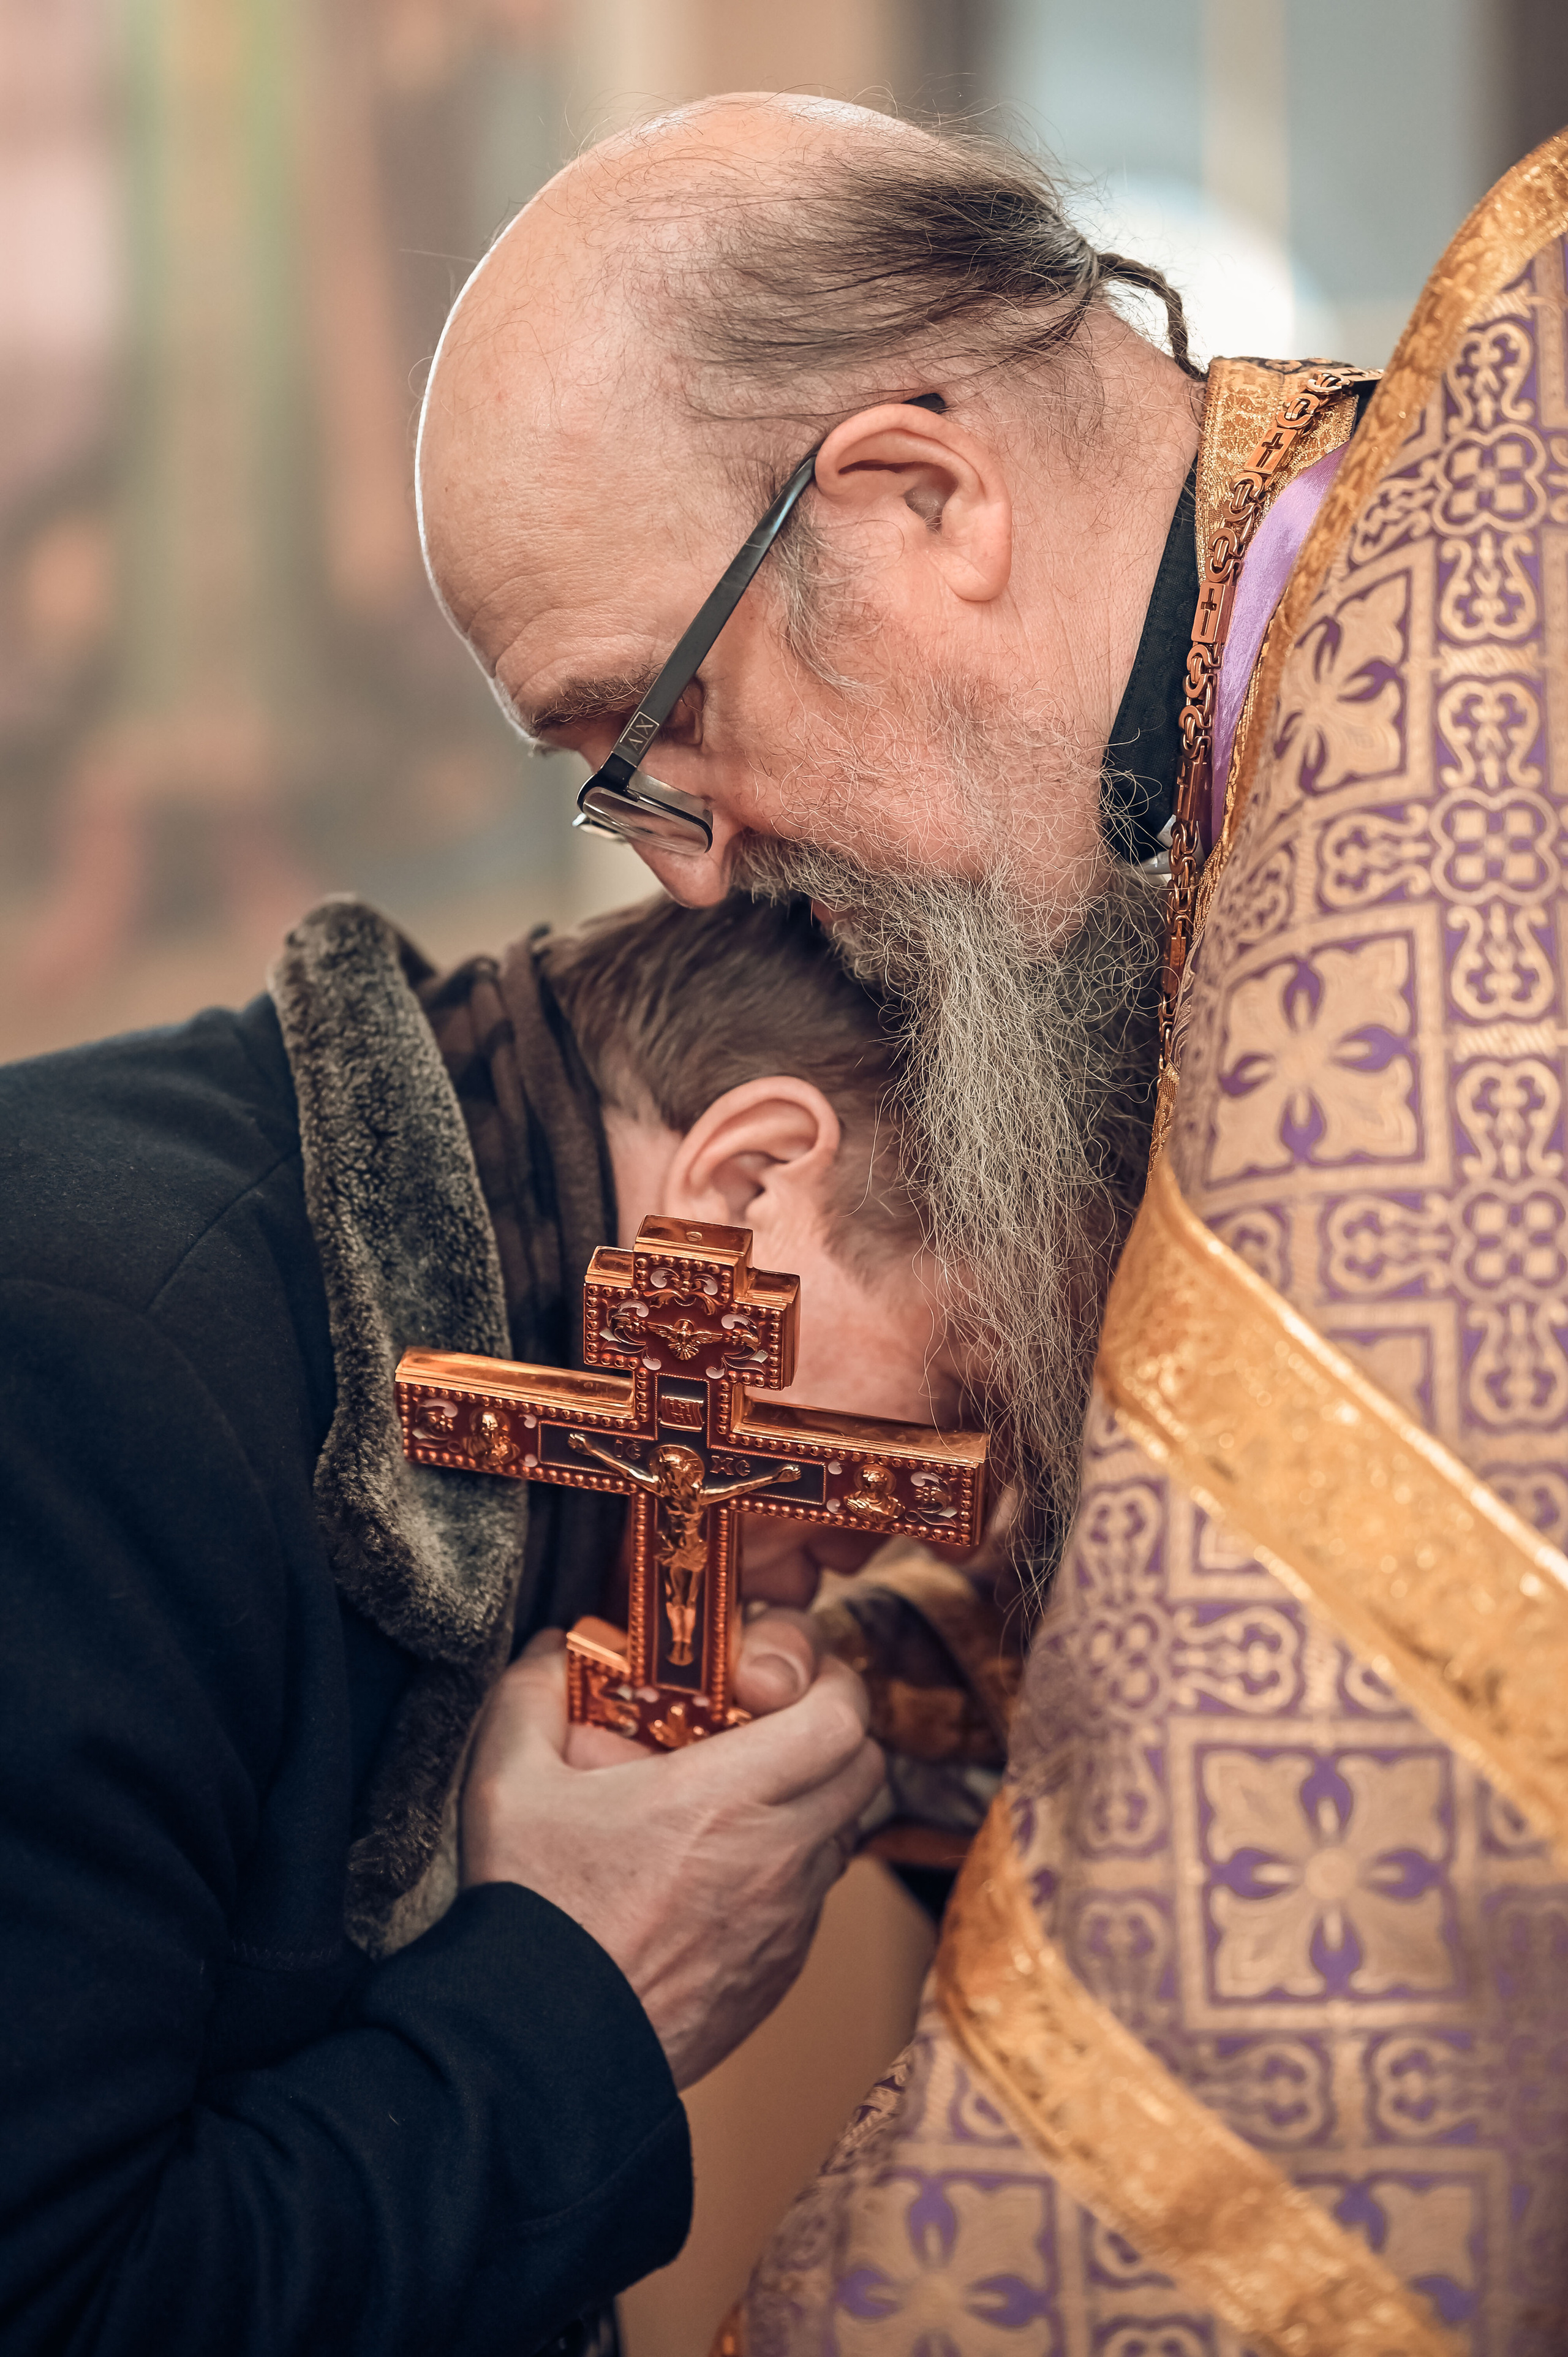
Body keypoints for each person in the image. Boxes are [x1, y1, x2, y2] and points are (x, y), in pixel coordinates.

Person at [417, 91, 1568, 2349]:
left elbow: (1313, 1914)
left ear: (922, 499)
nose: (697, 869)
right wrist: (842, 1666)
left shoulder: (1464, 755)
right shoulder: (1261, 752)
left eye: (659, 732)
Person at [0, 884, 1001, 2357]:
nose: (903, 1540)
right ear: (746, 1191)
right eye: (967, 1405)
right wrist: (585, 1984)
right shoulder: (81, 1376)